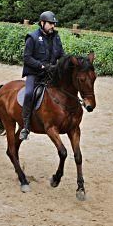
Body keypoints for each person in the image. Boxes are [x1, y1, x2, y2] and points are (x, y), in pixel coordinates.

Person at [19, 11, 65, 141]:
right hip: (35, 73)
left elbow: (61, 54)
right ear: (42, 23)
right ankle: (26, 126)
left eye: (54, 24)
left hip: (51, 72)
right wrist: (42, 66)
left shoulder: (56, 37)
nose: (53, 26)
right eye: (50, 24)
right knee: (28, 93)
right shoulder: (32, 37)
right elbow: (27, 58)